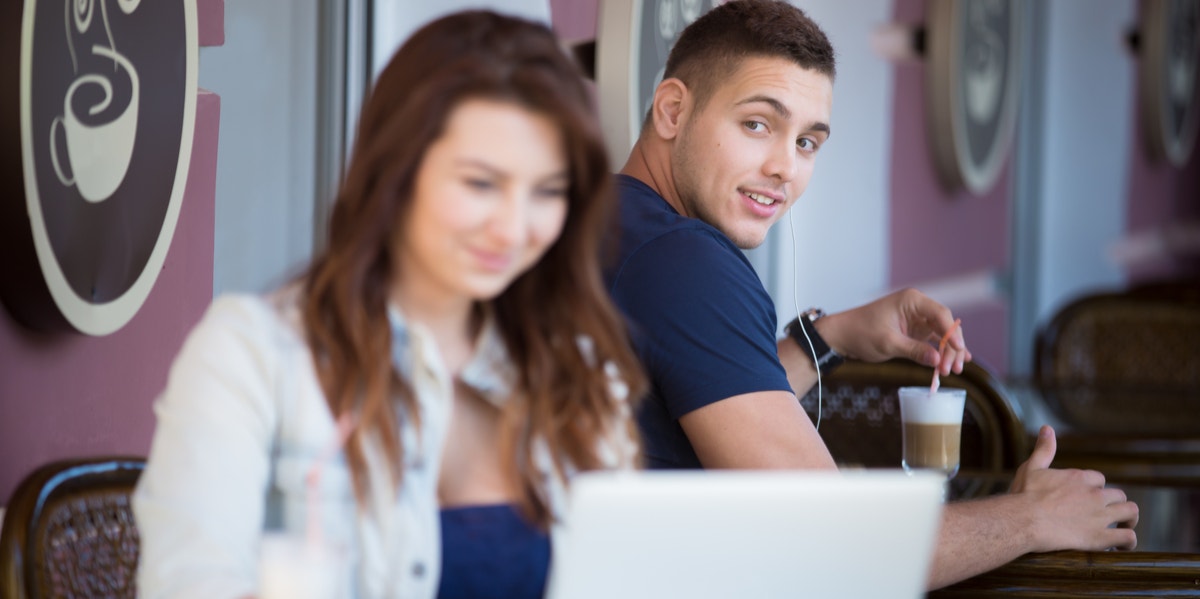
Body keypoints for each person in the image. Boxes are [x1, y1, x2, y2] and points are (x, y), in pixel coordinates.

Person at [603, 0, 1139, 590]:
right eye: (757, 124)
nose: (785, 167)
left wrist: (829, 338)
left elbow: (699, 388)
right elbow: (837, 550)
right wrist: (1032, 517)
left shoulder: (611, 221)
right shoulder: (685, 262)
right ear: (673, 109)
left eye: (808, 142)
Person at [134, 10, 645, 599]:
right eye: (480, 184)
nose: (513, 227)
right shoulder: (253, 356)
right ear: (396, 172)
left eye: (547, 192)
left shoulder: (577, 374)